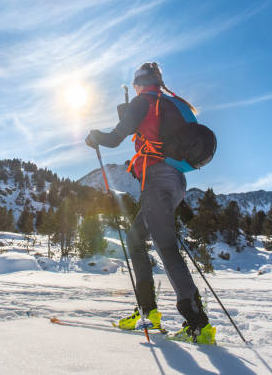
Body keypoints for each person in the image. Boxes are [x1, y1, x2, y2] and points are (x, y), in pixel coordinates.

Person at [85, 62, 216, 344]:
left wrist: (94, 136)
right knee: (135, 240)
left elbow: (115, 137)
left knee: (166, 247)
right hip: (176, 181)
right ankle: (149, 312)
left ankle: (198, 324)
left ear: (138, 84)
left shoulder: (143, 102)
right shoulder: (172, 104)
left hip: (157, 181)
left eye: (135, 85)